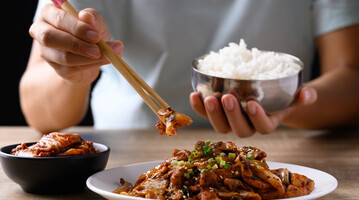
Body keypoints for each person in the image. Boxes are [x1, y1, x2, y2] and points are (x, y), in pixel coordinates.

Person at [20, 0, 359, 137]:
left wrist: (286, 108)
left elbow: (351, 76)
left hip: (287, 156)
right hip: (126, 163)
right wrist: (75, 72)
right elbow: (39, 112)